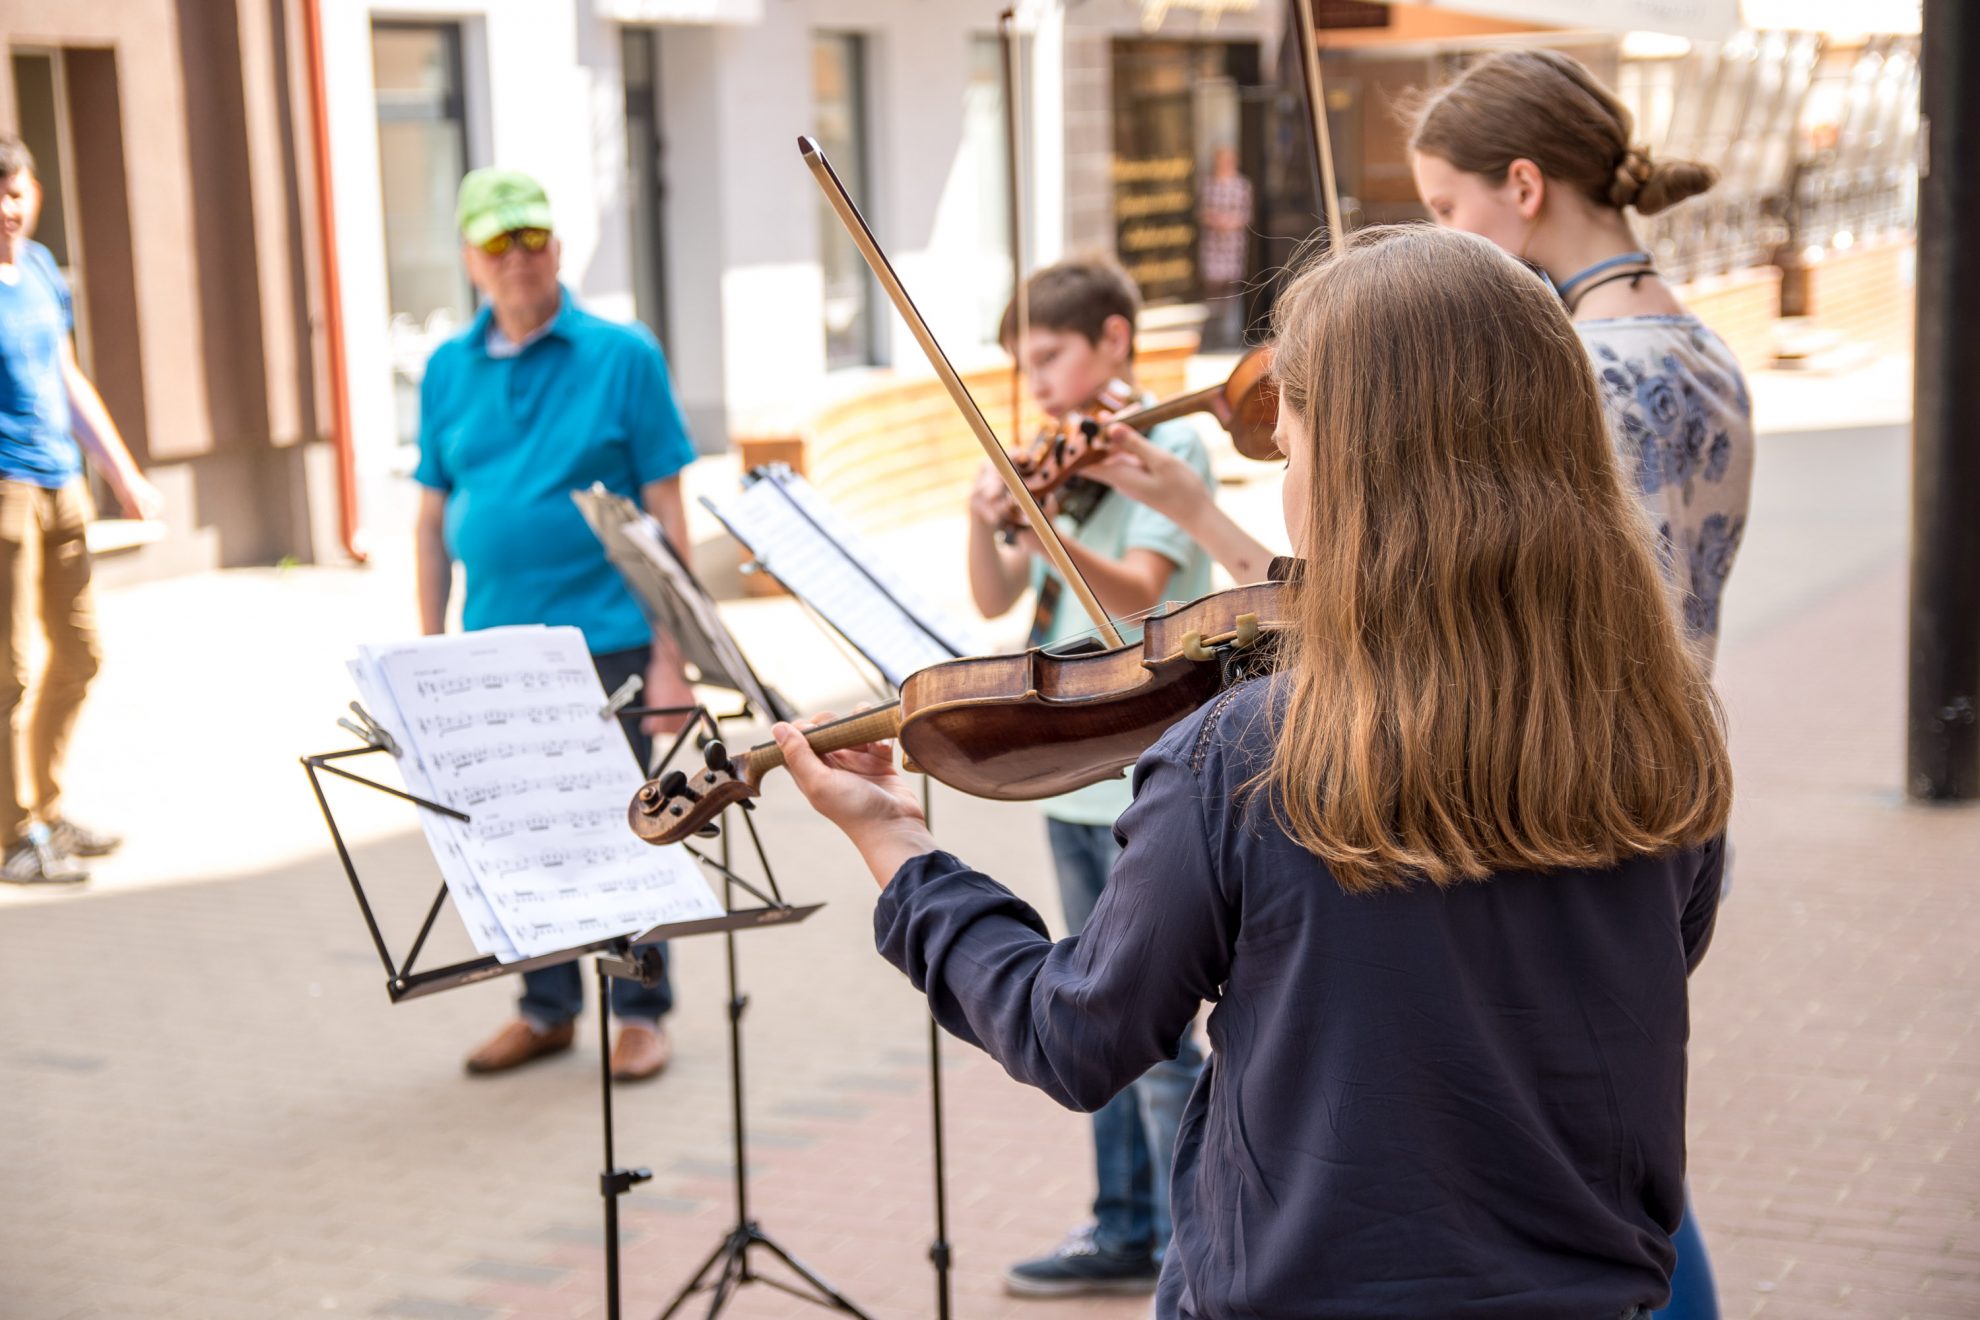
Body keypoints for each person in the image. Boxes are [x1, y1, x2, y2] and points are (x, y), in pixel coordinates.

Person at [774, 225, 1732, 1319]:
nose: (1287, 485)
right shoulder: (1664, 726)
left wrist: (897, 847)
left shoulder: (1248, 749)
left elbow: (1077, 1035)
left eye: (1290, 448)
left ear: (1359, 464)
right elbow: (1650, 963)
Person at [1092, 56, 1747, 1316]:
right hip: (1620, 753)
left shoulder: (1259, 753)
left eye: (1446, 209)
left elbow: (1094, 1027)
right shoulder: (1688, 348)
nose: (1444, 233)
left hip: (1483, 759)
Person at [414, 167, 697, 1083]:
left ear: (559, 249)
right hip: (493, 648)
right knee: (521, 842)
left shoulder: (625, 355)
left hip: (608, 638)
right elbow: (431, 519)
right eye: (499, 243)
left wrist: (671, 660)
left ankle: (642, 1009)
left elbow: (665, 515)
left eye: (533, 239)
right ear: (469, 258)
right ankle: (546, 1006)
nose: (519, 259)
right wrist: (428, 658)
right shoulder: (447, 368)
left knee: (628, 830)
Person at [965, 257, 1213, 1296]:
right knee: (1091, 1016)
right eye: (1025, 366)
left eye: (1053, 356)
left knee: (1160, 1037)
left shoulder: (1170, 443)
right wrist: (988, 517)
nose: (1042, 385)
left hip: (1143, 773)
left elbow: (1130, 604)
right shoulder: (1054, 460)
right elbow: (991, 605)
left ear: (1115, 340)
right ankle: (1122, 1222)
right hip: (1069, 774)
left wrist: (1051, 521)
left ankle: (1186, 1237)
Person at [0, 135, 162, 886]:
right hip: (5, 492)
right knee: (10, 672)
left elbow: (65, 375)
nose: (9, 208)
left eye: (17, 191)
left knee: (80, 654)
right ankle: (12, 834)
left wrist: (122, 473)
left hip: (61, 482)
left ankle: (47, 808)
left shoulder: (35, 269)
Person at [1196, 146, 1254, 348]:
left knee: (1232, 288)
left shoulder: (1242, 185)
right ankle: (1211, 331)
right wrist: (1215, 220)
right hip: (1214, 246)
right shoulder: (1208, 184)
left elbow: (1246, 215)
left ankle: (1229, 333)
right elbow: (1202, 211)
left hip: (1232, 245)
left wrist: (1230, 222)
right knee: (1213, 289)